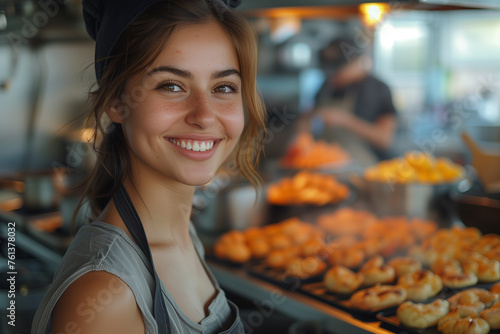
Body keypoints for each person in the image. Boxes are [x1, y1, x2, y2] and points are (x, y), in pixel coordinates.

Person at [31, 0, 266, 333]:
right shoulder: (106, 297)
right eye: (170, 86)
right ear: (117, 102)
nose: (203, 115)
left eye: (223, 87)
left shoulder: (183, 235)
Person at [299, 37, 397, 167]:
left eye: (338, 69)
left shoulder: (379, 89)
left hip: (366, 169)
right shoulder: (327, 86)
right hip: (327, 167)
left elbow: (385, 140)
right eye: (329, 70)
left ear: (355, 61)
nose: (333, 76)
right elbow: (307, 118)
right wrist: (300, 139)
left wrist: (344, 120)